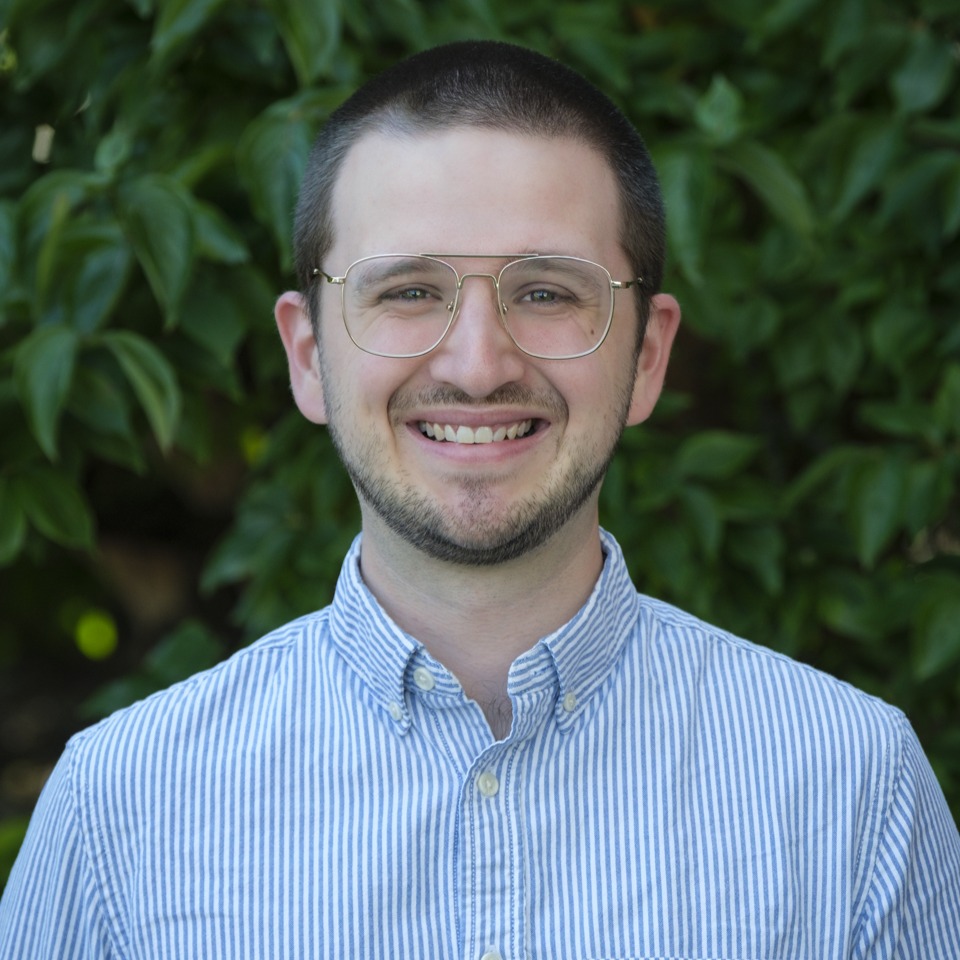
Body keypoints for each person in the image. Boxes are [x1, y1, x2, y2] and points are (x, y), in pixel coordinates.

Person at [2, 39, 959, 960]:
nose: (476, 364)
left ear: (648, 356)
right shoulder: (120, 806)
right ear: (307, 355)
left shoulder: (849, 785)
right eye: (408, 290)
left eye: (547, 292)